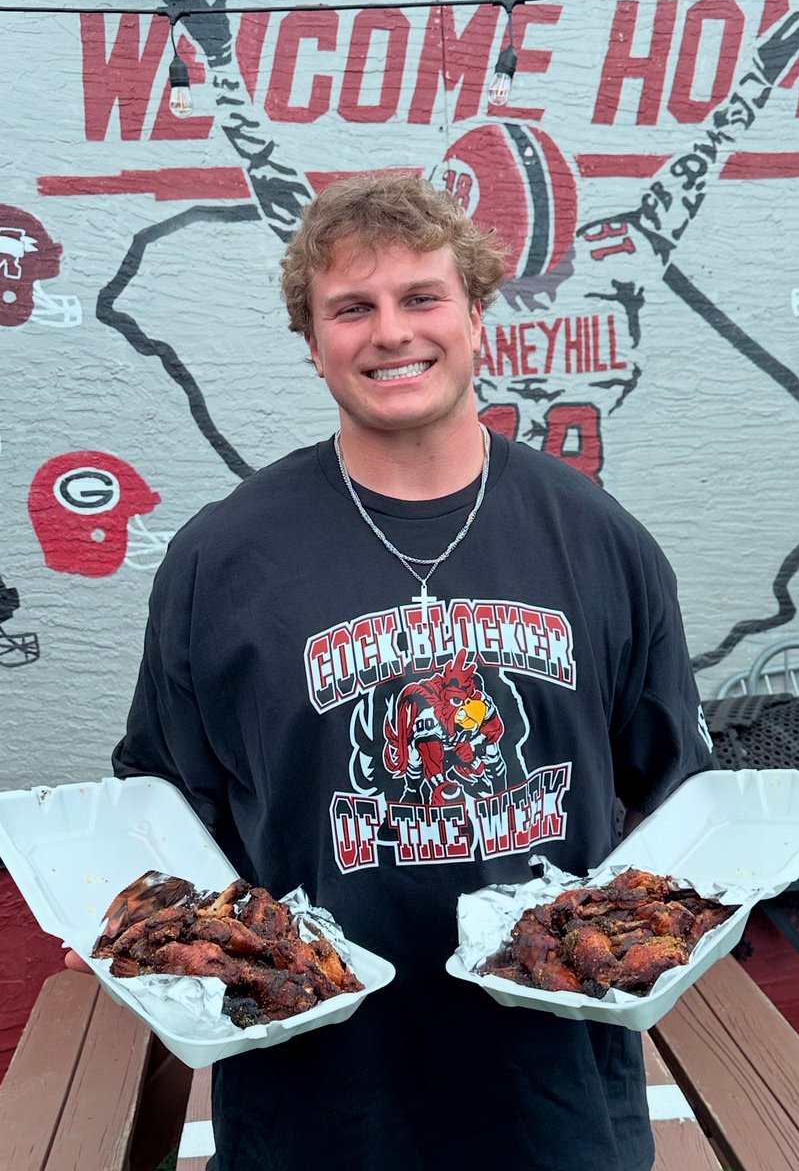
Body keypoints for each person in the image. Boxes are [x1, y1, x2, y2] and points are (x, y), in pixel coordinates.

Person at [71, 174, 713, 1170]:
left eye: (420, 298)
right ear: (312, 335)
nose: (390, 333)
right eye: (351, 308)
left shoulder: (596, 538)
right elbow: (163, 802)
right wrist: (114, 911)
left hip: (551, 1090)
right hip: (318, 1087)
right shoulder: (222, 559)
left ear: (475, 310)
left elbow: (682, 801)